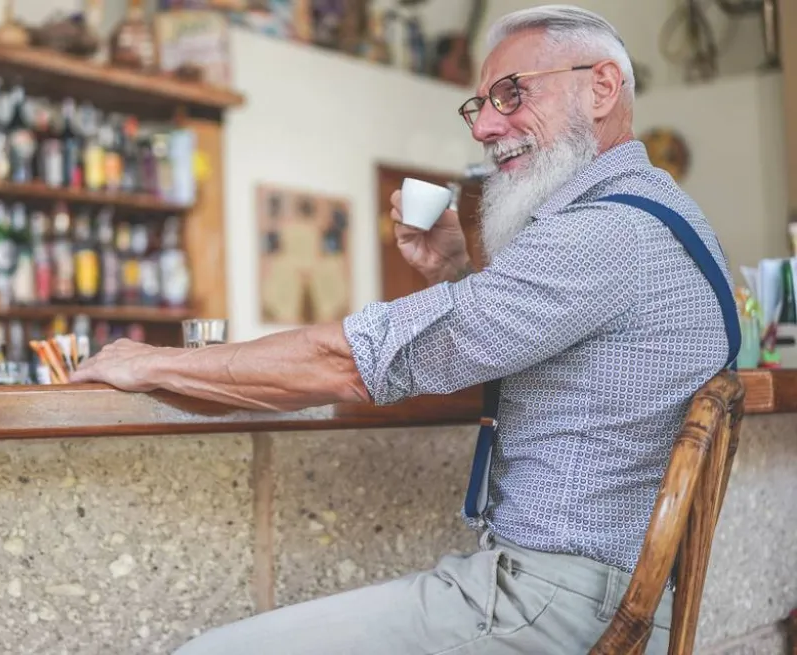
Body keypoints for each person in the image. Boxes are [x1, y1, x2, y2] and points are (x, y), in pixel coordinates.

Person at [71, 5, 734, 654]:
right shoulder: (667, 214)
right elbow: (529, 337)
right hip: (607, 598)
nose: (486, 127)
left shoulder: (601, 233)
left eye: (511, 94)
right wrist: (454, 269)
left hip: (554, 605)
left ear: (601, 87)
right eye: (480, 106)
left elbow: (351, 362)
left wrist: (152, 363)